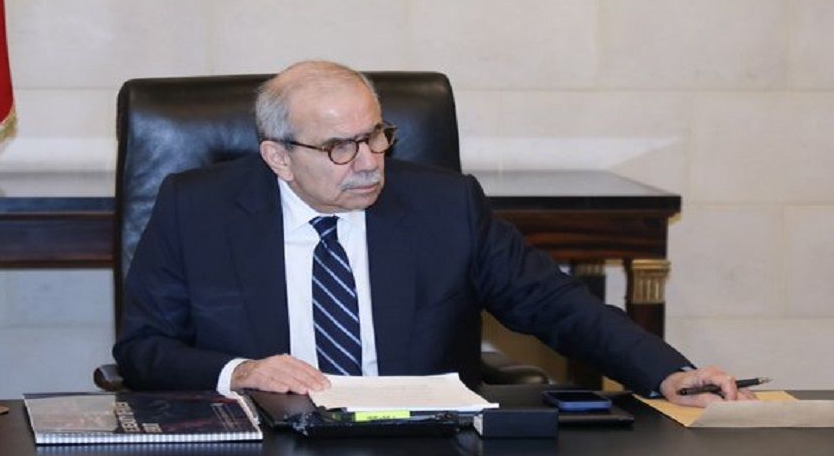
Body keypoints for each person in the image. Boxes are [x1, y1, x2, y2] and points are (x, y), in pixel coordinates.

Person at [113, 60, 753, 407]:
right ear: (278, 157)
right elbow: (144, 349)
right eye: (339, 147)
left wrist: (665, 372)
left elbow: (553, 302)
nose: (369, 162)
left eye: (376, 136)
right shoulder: (197, 209)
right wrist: (243, 370)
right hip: (267, 436)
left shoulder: (445, 205)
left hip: (420, 440)